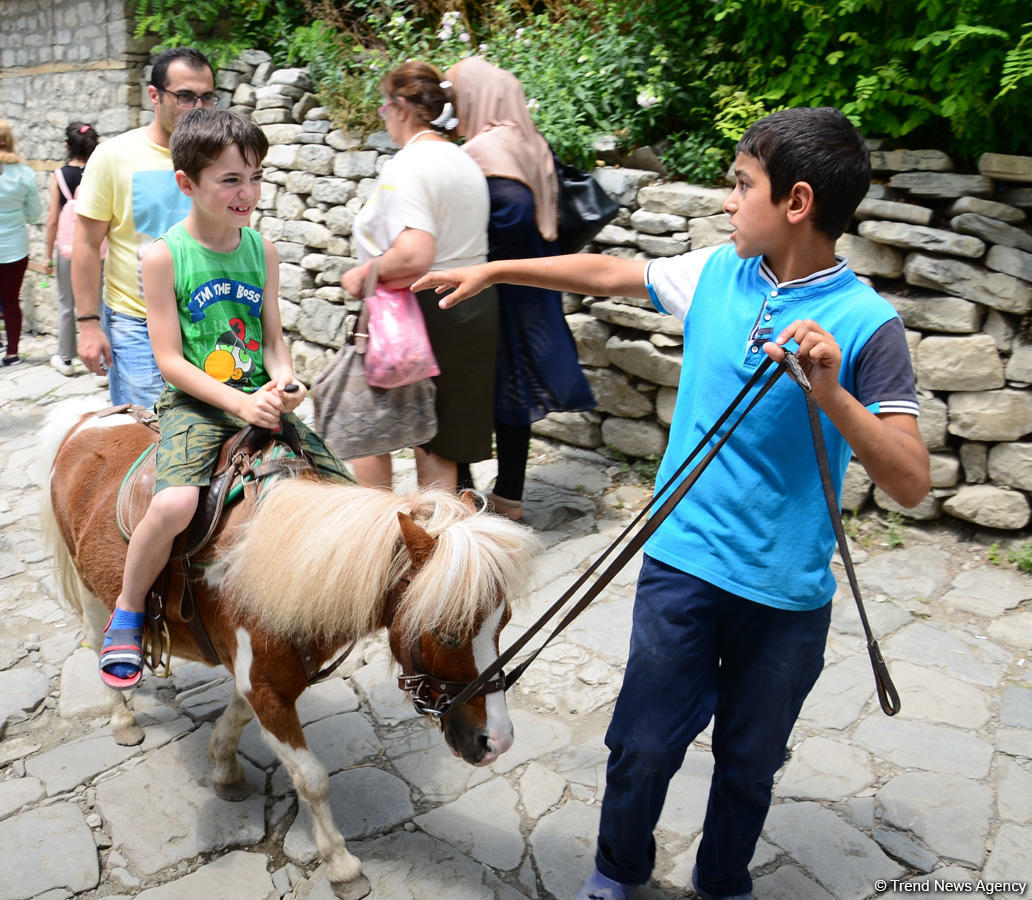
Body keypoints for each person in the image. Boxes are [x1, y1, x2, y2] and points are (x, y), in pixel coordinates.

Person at [413, 107, 931, 900]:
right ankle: (617, 872)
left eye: (742, 184)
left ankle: (723, 881)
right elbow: (607, 274)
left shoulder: (869, 325)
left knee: (751, 763)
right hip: (681, 565)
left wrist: (831, 395)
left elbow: (911, 482)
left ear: (796, 202)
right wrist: (496, 271)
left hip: (786, 594)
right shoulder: (719, 272)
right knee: (642, 745)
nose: (728, 201)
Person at [98, 108, 349, 690]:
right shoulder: (164, 256)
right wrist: (239, 406)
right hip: (197, 403)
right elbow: (169, 360)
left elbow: (274, 338)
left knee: (344, 491)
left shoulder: (262, 249)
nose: (248, 193)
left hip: (260, 398)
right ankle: (128, 609)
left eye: (255, 177)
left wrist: (285, 381)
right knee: (173, 506)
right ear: (186, 182)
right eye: (231, 179)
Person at [446, 58, 595, 521]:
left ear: (477, 97)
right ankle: (509, 494)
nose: (452, 106)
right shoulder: (530, 140)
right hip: (532, 281)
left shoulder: (483, 149)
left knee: (467, 388)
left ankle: (462, 491)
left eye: (456, 96)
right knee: (513, 387)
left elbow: (500, 218)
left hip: (493, 287)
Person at [340, 61, 498, 493]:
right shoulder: (461, 159)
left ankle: (373, 528)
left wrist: (364, 272)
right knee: (440, 443)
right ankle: (440, 531)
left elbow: (415, 253)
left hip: (421, 311)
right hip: (473, 306)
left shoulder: (408, 165)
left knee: (369, 427)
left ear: (401, 107)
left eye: (383, 108)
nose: (384, 118)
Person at [73, 47, 217, 407]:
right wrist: (88, 324)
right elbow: (87, 244)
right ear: (154, 95)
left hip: (208, 320)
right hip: (136, 325)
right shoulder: (114, 156)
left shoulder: (218, 156)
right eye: (185, 96)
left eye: (207, 97)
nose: (198, 108)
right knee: (148, 430)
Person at [43, 122, 100, 376]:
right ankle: (102, 365)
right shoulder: (97, 172)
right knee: (99, 304)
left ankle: (66, 359)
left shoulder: (59, 175)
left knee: (66, 302)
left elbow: (52, 220)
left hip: (68, 248)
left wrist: (47, 255)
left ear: (67, 146)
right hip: (97, 248)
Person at [0, 120, 42, 367]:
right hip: (15, 247)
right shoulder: (24, 173)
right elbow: (35, 214)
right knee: (11, 300)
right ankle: (12, 353)